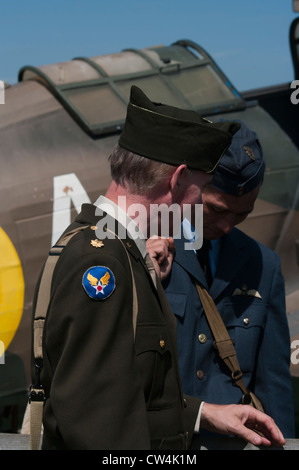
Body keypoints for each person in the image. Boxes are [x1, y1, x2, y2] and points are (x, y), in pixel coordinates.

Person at [31, 86, 285, 450]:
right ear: (178, 180)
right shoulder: (103, 264)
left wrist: (202, 414)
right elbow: (94, 427)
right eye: (204, 187)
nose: (200, 202)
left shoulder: (115, 252)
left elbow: (122, 404)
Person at [149, 121, 295, 444]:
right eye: (216, 210)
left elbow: (274, 385)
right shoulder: (147, 247)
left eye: (242, 215)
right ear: (191, 184)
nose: (228, 226)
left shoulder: (263, 266)